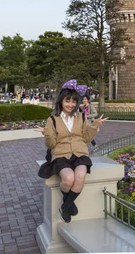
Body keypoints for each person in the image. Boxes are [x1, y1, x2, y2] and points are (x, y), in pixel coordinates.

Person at [37, 80, 106, 223]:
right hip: (61, 154)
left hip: (80, 153)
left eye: (74, 101)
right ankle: (69, 204)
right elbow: (51, 144)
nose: (70, 104)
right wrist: (47, 133)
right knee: (68, 179)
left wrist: (94, 126)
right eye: (67, 101)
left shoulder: (81, 116)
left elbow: (85, 138)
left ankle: (65, 206)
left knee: (80, 176)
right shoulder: (52, 119)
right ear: (61, 101)